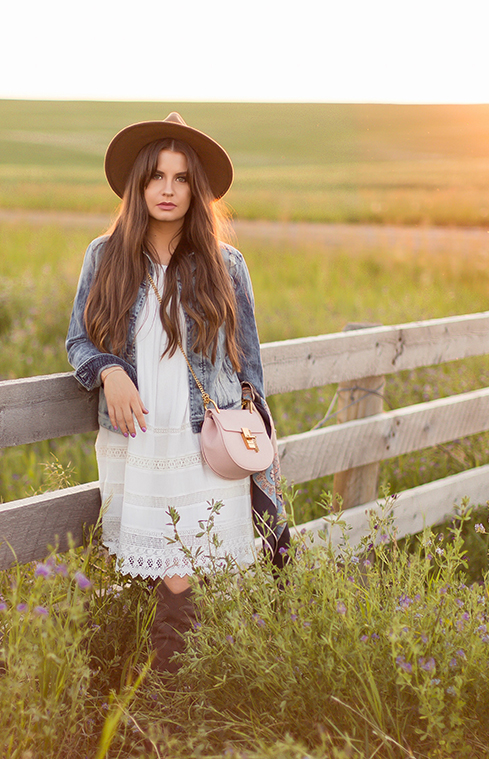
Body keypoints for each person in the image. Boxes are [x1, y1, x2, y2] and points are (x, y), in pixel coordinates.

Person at [66, 112, 288, 674]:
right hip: (140, 442)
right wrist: (110, 371)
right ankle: (177, 694)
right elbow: (78, 341)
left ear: (198, 189)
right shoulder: (105, 255)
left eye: (182, 178)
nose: (169, 190)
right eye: (158, 177)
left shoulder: (225, 265)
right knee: (175, 567)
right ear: (139, 186)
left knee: (185, 567)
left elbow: (250, 368)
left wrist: (255, 450)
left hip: (201, 444)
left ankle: (167, 697)